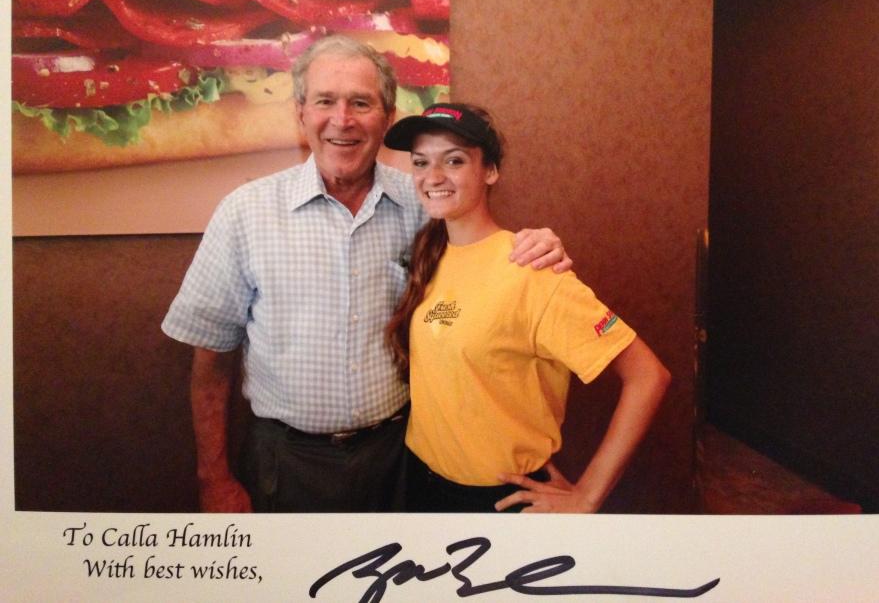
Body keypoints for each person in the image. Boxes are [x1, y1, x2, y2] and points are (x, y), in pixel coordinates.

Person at [162, 36, 571, 513]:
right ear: (300, 113)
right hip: (285, 462)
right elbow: (211, 363)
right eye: (325, 102)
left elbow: (483, 251)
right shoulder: (245, 213)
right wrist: (214, 478)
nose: (343, 120)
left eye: (361, 103)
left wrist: (539, 244)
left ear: (388, 116)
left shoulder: (424, 207)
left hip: (402, 457)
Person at [384, 103, 672, 513]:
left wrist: (588, 494)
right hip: (420, 485)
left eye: (454, 160)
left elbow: (648, 376)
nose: (433, 177)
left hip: (499, 501)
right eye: (421, 162)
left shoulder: (532, 270)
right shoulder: (429, 254)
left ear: (490, 171)